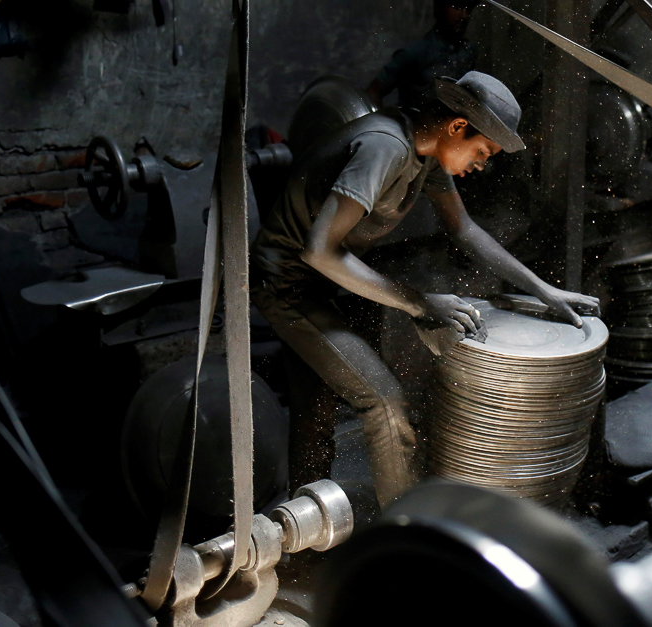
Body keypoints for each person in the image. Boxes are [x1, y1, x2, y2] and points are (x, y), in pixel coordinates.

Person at [250, 71, 599, 508]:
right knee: (384, 403)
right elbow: (319, 251)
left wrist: (544, 290)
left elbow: (465, 230)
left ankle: (303, 538)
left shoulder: (428, 151)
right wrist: (418, 304)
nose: (481, 163)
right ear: (456, 127)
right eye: (482, 150)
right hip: (288, 283)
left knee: (316, 408)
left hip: (322, 283)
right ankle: (410, 541)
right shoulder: (387, 146)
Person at [366, 0, 478, 109]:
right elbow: (374, 91)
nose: (464, 15)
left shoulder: (468, 51)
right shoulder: (416, 52)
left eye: (468, 9)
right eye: (457, 7)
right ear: (438, 8)